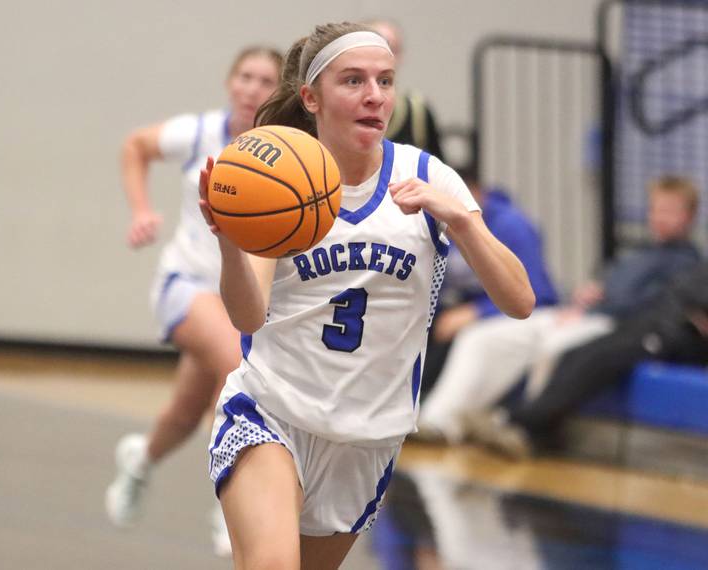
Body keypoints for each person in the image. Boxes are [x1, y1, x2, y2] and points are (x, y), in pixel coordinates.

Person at [198, 22, 534, 569]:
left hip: (368, 437)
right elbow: (248, 316)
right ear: (311, 97)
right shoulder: (276, 177)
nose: (374, 95)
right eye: (353, 80)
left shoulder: (428, 176)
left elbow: (520, 300)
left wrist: (463, 223)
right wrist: (232, 243)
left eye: (384, 80)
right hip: (272, 412)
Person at [105, 46, 283, 541]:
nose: (252, 88)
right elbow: (135, 146)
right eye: (245, 76)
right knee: (238, 369)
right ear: (229, 82)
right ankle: (236, 508)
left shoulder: (290, 154)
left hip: (239, 299)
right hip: (185, 284)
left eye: (266, 80)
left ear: (282, 92)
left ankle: (139, 459)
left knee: (186, 413)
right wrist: (140, 210)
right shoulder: (199, 132)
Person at [416, 175, 701, 444]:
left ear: (689, 217)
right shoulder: (636, 254)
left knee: (554, 349)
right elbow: (605, 285)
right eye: (656, 209)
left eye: (670, 211)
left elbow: (652, 309)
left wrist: (601, 306)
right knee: (481, 336)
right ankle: (439, 420)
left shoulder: (688, 264)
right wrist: (587, 295)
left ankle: (515, 428)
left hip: (609, 327)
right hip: (573, 315)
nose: (660, 217)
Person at [465, 260, 708, 459]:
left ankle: (525, 425)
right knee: (576, 352)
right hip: (653, 324)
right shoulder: (683, 265)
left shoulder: (685, 254)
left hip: (680, 338)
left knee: (604, 359)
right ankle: (520, 420)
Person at [420, 170, 559, 398]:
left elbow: (535, 294)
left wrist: (475, 312)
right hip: (462, 309)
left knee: (463, 335)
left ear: (473, 192)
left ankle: (436, 416)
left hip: (521, 315)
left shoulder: (512, 224)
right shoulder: (437, 220)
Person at [365, 19, 445, 160]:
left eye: (392, 50)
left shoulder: (417, 111)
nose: (383, 56)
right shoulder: (334, 110)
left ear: (401, 56)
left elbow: (439, 167)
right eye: (375, 48)